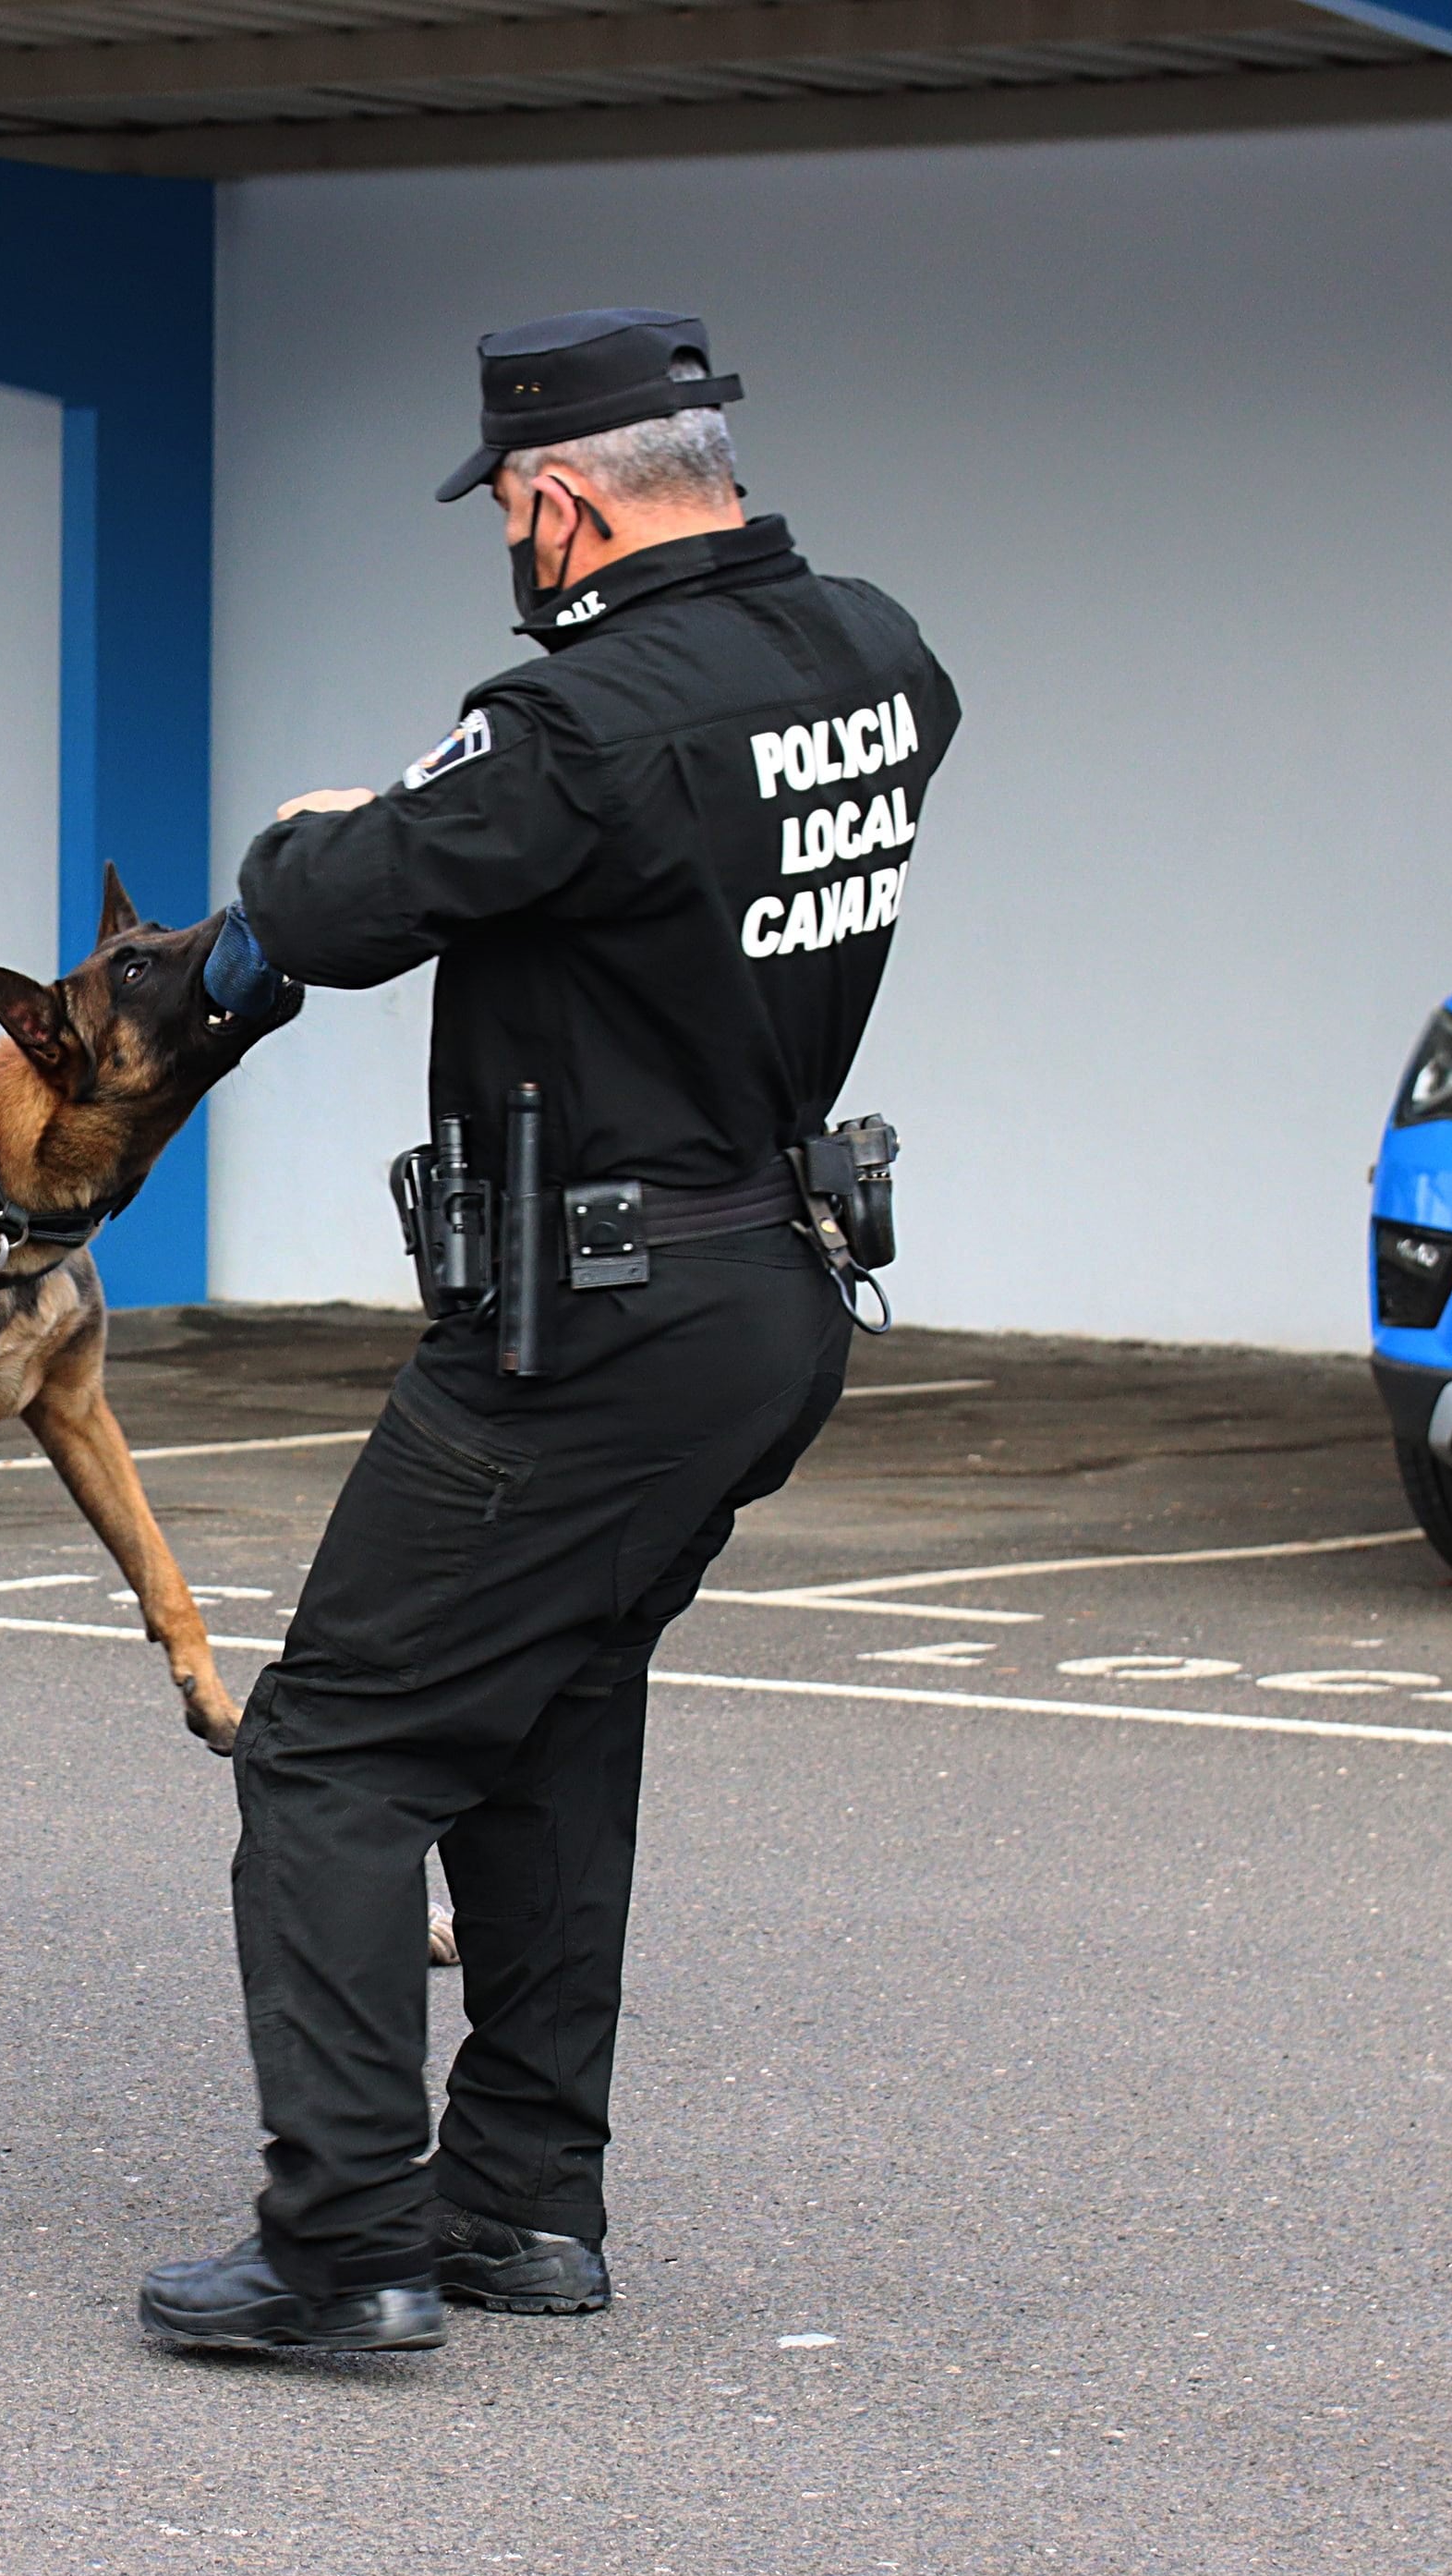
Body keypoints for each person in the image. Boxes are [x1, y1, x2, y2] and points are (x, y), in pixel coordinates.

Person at [141, 309, 962, 2352]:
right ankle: (519, 2207)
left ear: (558, 501)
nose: (513, 553)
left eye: (511, 517)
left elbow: (325, 913)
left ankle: (345, 2248)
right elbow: (618, 864)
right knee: (547, 1723)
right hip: (763, 1291)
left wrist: (317, 834)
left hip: (584, 1324)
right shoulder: (878, 656)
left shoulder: (576, 727)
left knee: (331, 1748)